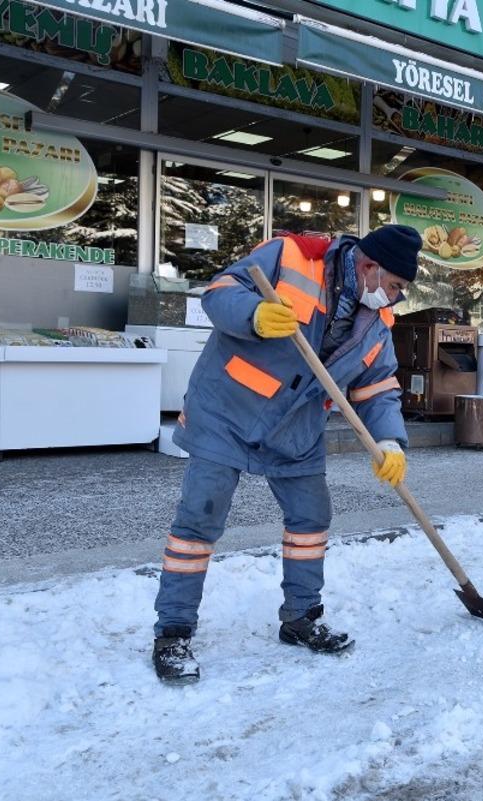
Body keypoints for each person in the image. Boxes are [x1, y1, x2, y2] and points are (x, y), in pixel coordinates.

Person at [151, 226, 422, 683]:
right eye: (394, 286)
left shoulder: (376, 326)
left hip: (296, 429)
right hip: (227, 411)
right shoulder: (292, 256)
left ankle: (301, 617)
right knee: (200, 519)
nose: (395, 298)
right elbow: (219, 293)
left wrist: (389, 441)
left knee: (311, 517)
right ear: (370, 266)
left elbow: (378, 388)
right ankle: (173, 632)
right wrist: (253, 314)